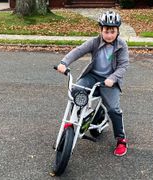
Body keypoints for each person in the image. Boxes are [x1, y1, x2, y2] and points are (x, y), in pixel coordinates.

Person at [56, 11, 130, 156]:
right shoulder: (95, 42)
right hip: (92, 76)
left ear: (118, 31)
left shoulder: (122, 45)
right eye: (106, 31)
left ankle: (121, 139)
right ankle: (73, 120)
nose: (109, 35)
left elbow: (123, 66)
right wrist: (64, 62)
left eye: (112, 31)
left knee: (114, 109)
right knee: (75, 91)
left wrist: (113, 78)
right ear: (101, 30)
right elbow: (78, 51)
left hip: (109, 81)